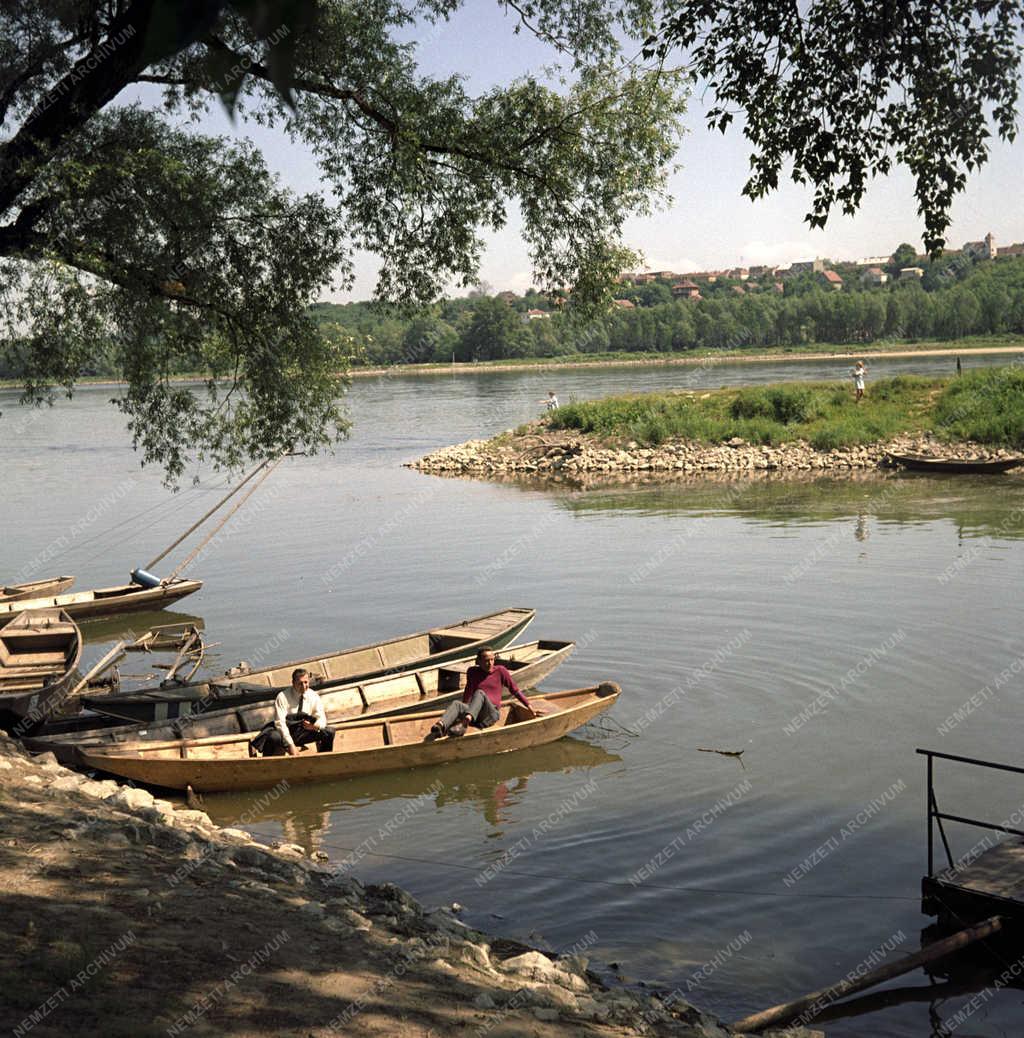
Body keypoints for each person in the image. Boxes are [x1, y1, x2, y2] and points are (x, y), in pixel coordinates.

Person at [429, 649, 537, 738]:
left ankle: (465, 723)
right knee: (457, 704)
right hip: (476, 714)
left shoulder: (501, 671)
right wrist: (461, 711)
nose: (490, 663)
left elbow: (515, 690)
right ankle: (440, 726)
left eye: (492, 660)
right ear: (478, 661)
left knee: (479, 693)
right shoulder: (472, 671)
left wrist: (529, 706)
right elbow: (468, 690)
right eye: (486, 660)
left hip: (491, 714)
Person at [249, 668, 334, 757]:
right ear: (293, 683)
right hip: (286, 732)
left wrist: (315, 726)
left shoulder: (313, 696)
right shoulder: (282, 697)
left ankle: (324, 759)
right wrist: (290, 744)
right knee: (273, 737)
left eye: (306, 682)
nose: (304, 686)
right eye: (300, 683)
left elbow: (322, 718)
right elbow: (280, 723)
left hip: (303, 731)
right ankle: (267, 763)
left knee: (329, 732)